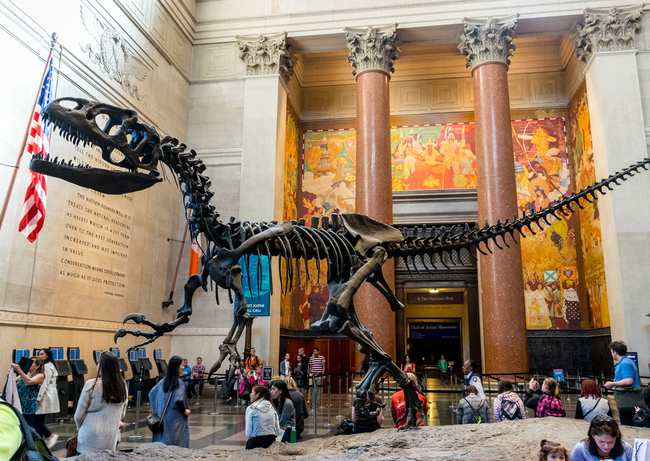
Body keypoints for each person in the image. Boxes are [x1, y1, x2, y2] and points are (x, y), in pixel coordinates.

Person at [74, 351, 128, 454]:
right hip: (110, 437)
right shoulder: (123, 385)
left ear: (101, 366)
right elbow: (122, 413)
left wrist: (80, 428)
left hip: (89, 437)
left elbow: (78, 416)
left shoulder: (91, 384)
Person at [148, 356, 190, 447]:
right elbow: (178, 400)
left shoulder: (163, 381)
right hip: (176, 417)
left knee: (164, 438)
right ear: (176, 367)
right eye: (182, 365)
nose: (183, 367)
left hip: (163, 416)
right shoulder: (179, 383)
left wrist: (156, 410)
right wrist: (185, 411)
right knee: (177, 439)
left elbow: (151, 394)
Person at [604, 340, 641, 426]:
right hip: (627, 400)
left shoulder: (625, 363)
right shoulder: (625, 362)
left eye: (611, 352)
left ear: (615, 352)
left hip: (628, 400)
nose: (611, 354)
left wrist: (612, 383)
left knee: (627, 423)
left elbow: (628, 380)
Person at [34, 349, 59, 448]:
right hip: (47, 395)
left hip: (45, 396)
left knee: (36, 421)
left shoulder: (47, 367)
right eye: (38, 354)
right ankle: (39, 442)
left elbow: (45, 383)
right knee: (39, 420)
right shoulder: (49, 366)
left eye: (41, 354)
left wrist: (38, 397)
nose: (39, 356)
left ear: (47, 356)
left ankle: (50, 435)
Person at [13, 358, 45, 428]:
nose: (29, 364)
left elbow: (29, 381)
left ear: (37, 366)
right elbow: (13, 382)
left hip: (28, 406)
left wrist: (19, 370)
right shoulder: (24, 374)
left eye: (32, 362)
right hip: (18, 404)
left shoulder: (40, 375)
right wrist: (10, 375)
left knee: (27, 427)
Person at [245, 385, 280, 449]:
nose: (250, 395)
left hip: (255, 441)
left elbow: (248, 432)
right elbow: (277, 429)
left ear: (257, 394)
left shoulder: (251, 408)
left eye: (252, 392)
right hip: (271, 441)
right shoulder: (272, 407)